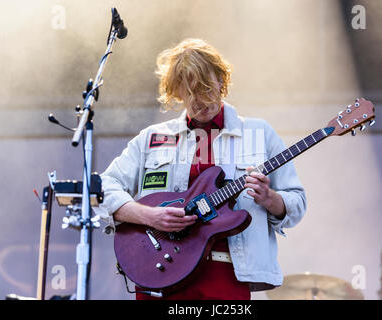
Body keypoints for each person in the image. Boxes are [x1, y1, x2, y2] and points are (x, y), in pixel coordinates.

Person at [96, 38, 306, 300]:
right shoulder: (152, 137)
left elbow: (297, 202)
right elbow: (102, 189)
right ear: (177, 92)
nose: (199, 101)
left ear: (221, 80)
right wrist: (149, 216)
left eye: (206, 89)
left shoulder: (259, 133)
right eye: (190, 93)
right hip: (160, 274)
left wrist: (270, 198)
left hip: (226, 275)